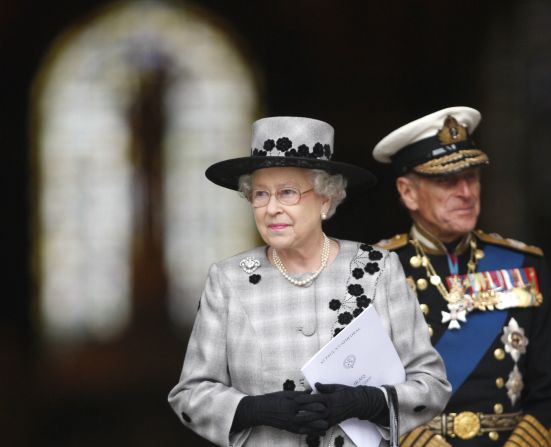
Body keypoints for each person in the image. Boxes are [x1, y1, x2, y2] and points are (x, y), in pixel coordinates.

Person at [168, 116, 451, 447]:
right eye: (260, 194)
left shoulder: (378, 269)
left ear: (325, 200)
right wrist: (252, 409)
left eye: (287, 193)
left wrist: (368, 402)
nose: (271, 208)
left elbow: (431, 385)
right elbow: (190, 393)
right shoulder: (228, 280)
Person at [371, 107, 551, 447]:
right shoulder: (372, 271)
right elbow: (357, 385)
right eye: (446, 181)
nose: (466, 192)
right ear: (407, 192)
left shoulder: (522, 263)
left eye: (471, 177)